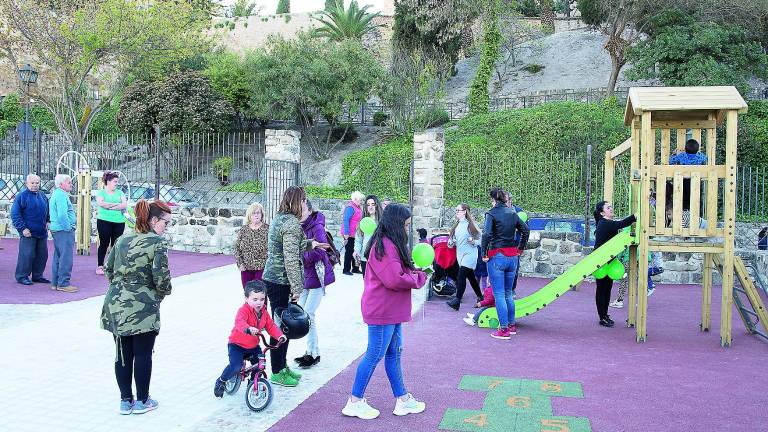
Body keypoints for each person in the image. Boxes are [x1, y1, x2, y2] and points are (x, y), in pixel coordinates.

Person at [342, 204, 427, 420]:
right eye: (406, 225)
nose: (408, 229)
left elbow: (399, 271)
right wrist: (419, 277)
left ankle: (403, 398)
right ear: (397, 225)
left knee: (393, 354)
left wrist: (416, 272)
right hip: (382, 310)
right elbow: (394, 279)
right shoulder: (385, 246)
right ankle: (354, 400)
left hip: (391, 309)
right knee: (375, 354)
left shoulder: (389, 244)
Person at [100, 199, 173, 415]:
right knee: (142, 354)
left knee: (122, 353)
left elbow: (108, 268)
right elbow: (162, 280)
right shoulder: (156, 243)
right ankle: (142, 400)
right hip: (143, 306)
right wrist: (156, 296)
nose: (166, 227)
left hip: (116, 304)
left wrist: (120, 289)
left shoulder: (123, 239)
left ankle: (125, 401)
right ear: (153, 220)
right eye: (165, 223)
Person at [262, 186, 329, 388]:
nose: (304, 204)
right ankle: (277, 371)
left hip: (274, 279)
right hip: (280, 281)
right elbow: (290, 258)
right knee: (280, 328)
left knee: (282, 326)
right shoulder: (291, 223)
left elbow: (292, 245)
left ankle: (281, 367)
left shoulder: (280, 218)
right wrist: (297, 288)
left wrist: (312, 244)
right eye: (303, 200)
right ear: (296, 201)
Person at [213, 280, 286, 398]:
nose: (259, 302)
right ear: (247, 298)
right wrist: (248, 328)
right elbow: (239, 322)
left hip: (253, 346)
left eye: (262, 299)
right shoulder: (244, 311)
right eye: (255, 299)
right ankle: (221, 381)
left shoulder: (264, 313)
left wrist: (280, 336)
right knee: (236, 365)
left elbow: (271, 326)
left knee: (260, 364)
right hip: (237, 345)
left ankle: (252, 384)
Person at [481, 188, 529, 340]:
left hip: (497, 255)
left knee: (499, 294)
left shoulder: (491, 213)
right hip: (512, 257)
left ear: (493, 200)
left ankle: (503, 329)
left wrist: (484, 253)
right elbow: (526, 230)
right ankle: (511, 324)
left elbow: (487, 234)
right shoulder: (512, 213)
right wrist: (520, 248)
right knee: (508, 293)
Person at [295, 199, 336, 369]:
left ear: (310, 211)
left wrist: (301, 258)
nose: (299, 213)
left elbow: (321, 249)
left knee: (308, 314)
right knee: (303, 316)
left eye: (302, 210)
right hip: (306, 277)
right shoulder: (299, 227)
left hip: (318, 277)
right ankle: (311, 351)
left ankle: (313, 353)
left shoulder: (316, 226)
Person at [593, 200, 636, 327]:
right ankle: (602, 317)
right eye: (608, 208)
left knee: (607, 289)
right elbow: (622, 223)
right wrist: (635, 216)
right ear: (602, 212)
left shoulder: (607, 223)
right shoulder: (605, 223)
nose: (611, 209)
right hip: (601, 262)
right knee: (602, 289)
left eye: (611, 206)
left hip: (609, 261)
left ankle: (605, 315)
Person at [11, 174, 50, 286]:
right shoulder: (21, 196)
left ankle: (37, 276)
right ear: (27, 183)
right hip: (28, 232)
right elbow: (15, 214)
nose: (35, 185)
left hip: (41, 232)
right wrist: (22, 228)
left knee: (42, 255)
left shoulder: (42, 195)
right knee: (26, 255)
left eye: (37, 183)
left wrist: (48, 221)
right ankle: (22, 276)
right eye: (32, 183)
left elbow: (46, 210)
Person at [446, 203, 483, 311]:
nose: (456, 212)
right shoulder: (457, 225)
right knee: (471, 277)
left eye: (458, 210)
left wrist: (473, 241)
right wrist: (451, 242)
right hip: (460, 255)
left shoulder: (471, 225)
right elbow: (454, 240)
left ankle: (457, 300)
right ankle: (480, 296)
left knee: (461, 276)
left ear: (465, 211)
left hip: (470, 255)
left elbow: (481, 240)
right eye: (456, 210)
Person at [48, 174, 78, 293]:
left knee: (58, 256)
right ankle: (63, 283)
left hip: (57, 229)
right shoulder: (61, 195)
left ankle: (55, 283)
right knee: (66, 257)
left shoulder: (57, 194)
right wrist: (69, 227)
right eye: (68, 182)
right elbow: (62, 215)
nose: (71, 184)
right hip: (63, 230)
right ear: (61, 184)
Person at [669, 139, 707, 228]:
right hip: (696, 182)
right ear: (697, 150)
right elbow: (706, 159)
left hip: (684, 181)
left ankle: (684, 220)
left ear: (685, 149)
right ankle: (696, 220)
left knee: (684, 200)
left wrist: (674, 153)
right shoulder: (700, 156)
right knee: (696, 199)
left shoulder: (682, 156)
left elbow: (671, 161)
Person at [95, 171, 127, 275]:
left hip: (119, 221)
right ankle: (100, 266)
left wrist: (109, 205)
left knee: (116, 244)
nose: (116, 184)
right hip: (104, 221)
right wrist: (116, 205)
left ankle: (113, 265)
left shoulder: (120, 192)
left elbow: (124, 205)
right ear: (108, 181)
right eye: (114, 181)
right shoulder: (101, 193)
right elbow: (101, 203)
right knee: (104, 243)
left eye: (117, 182)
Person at [234, 202, 269, 288]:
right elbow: (237, 247)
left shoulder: (267, 229)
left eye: (258, 213)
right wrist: (240, 263)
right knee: (248, 294)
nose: (256, 215)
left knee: (260, 293)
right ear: (249, 215)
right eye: (254, 213)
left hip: (262, 267)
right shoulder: (244, 229)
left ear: (262, 214)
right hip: (246, 268)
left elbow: (272, 248)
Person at [354, 195, 383, 276]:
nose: (370, 207)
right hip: (365, 257)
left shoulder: (383, 222)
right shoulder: (362, 222)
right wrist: (356, 251)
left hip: (378, 258)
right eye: (368, 205)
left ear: (377, 205)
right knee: (367, 284)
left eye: (373, 204)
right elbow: (358, 240)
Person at [341, 191, 365, 276]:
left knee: (356, 251)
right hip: (350, 234)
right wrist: (346, 233)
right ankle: (346, 269)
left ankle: (355, 268)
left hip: (356, 233)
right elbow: (346, 220)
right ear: (355, 199)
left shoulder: (357, 207)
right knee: (349, 251)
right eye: (360, 200)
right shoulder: (350, 207)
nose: (361, 201)